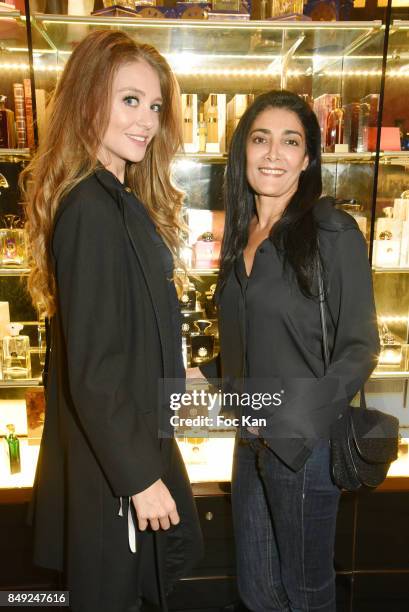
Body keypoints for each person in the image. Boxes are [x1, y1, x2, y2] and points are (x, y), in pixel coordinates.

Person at [21, 30, 203, 612]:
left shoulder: (113, 199)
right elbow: (95, 370)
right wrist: (140, 480)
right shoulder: (91, 208)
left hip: (120, 457)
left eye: (154, 105)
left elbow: (122, 334)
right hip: (112, 475)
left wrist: (178, 374)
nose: (147, 120)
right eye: (130, 100)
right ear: (87, 99)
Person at [196, 90, 380, 611]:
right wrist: (206, 372)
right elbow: (253, 341)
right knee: (257, 592)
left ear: (308, 158)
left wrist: (296, 426)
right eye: (260, 139)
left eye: (290, 141)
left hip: (303, 448)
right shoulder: (241, 235)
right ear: (242, 152)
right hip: (247, 441)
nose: (273, 153)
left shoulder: (332, 232)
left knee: (307, 595)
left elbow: (360, 345)